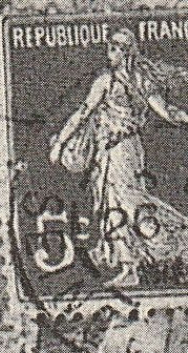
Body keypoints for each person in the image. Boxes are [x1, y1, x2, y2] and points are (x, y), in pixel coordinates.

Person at [50, 28, 188, 288]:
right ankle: (131, 264)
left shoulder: (108, 81)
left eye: (113, 48)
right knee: (118, 203)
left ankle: (168, 243)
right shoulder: (141, 82)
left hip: (118, 151)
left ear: (123, 52)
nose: (109, 53)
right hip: (126, 150)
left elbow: (82, 113)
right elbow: (168, 112)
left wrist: (60, 142)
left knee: (125, 203)